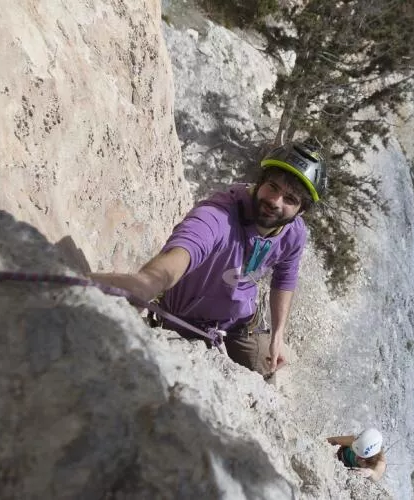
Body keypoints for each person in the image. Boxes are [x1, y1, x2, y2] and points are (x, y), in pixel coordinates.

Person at [90, 140, 327, 377]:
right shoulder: (219, 215)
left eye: (290, 199)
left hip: (239, 323)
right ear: (260, 181)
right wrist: (147, 283)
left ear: (300, 212)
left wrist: (278, 335)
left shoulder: (294, 233)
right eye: (272, 187)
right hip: (185, 320)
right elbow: (186, 248)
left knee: (269, 369)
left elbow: (285, 278)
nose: (275, 201)